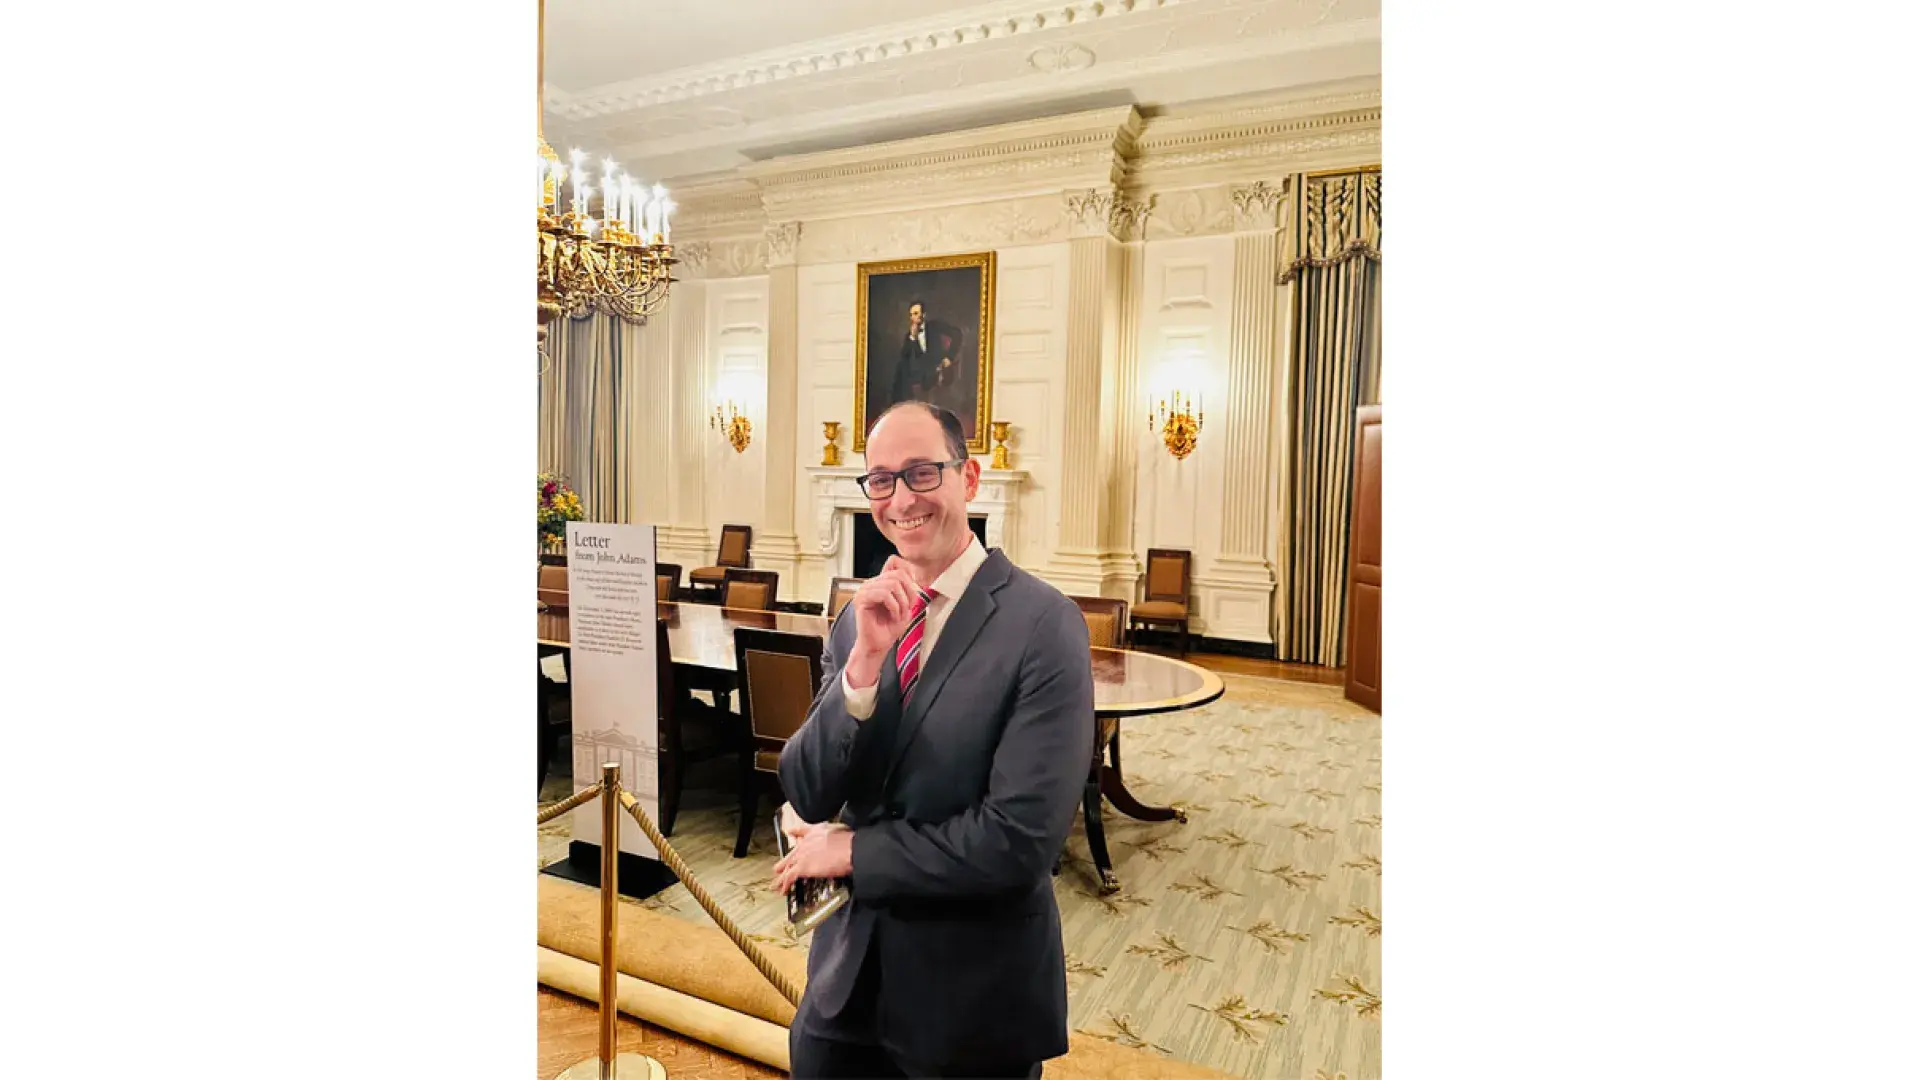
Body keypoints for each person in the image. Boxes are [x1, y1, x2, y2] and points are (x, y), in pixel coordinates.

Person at [773, 401, 1094, 1079]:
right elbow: (805, 787)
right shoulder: (861, 616)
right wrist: (861, 670)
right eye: (882, 480)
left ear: (969, 478)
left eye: (921, 473)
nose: (900, 499)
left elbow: (1019, 842)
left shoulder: (1045, 625)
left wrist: (854, 848)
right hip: (843, 987)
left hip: (970, 1003)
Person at [891, 301, 965, 410]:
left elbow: (957, 334)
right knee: (901, 371)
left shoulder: (935, 326)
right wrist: (912, 338)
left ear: (923, 315)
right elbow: (904, 357)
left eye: (916, 313)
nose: (913, 318)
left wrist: (950, 357)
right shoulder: (909, 336)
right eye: (911, 315)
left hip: (937, 369)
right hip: (919, 375)